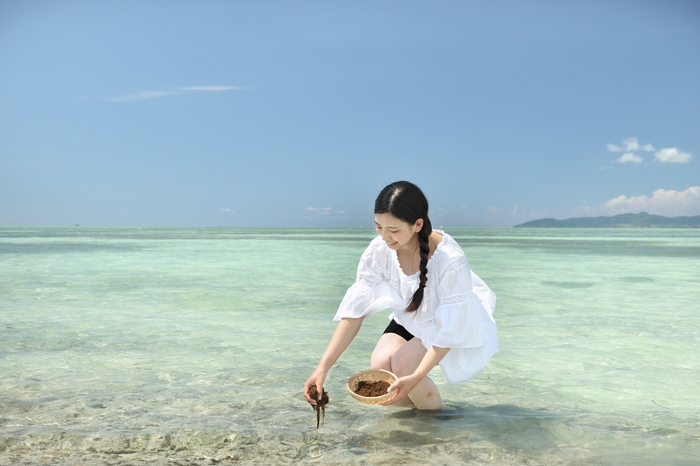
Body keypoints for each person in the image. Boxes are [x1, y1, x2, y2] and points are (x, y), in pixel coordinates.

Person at [303, 181, 498, 410]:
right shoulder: (380, 250)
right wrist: (322, 368)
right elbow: (354, 313)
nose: (385, 237)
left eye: (393, 230)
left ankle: (433, 422)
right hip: (410, 315)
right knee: (380, 367)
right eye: (378, 227)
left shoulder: (450, 259)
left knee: (405, 366)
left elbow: (450, 332)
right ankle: (406, 428)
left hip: (445, 323)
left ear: (418, 224)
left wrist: (415, 378)